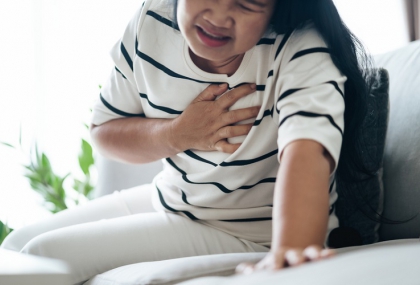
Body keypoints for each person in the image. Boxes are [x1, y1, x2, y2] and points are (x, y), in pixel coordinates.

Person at [2, 0, 373, 283]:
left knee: (41, 255)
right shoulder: (154, 20)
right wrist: (179, 133)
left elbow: (306, 151)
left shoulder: (302, 48)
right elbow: (104, 129)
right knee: (17, 246)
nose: (220, 15)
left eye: (247, 3)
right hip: (173, 199)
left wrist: (290, 252)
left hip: (249, 232)